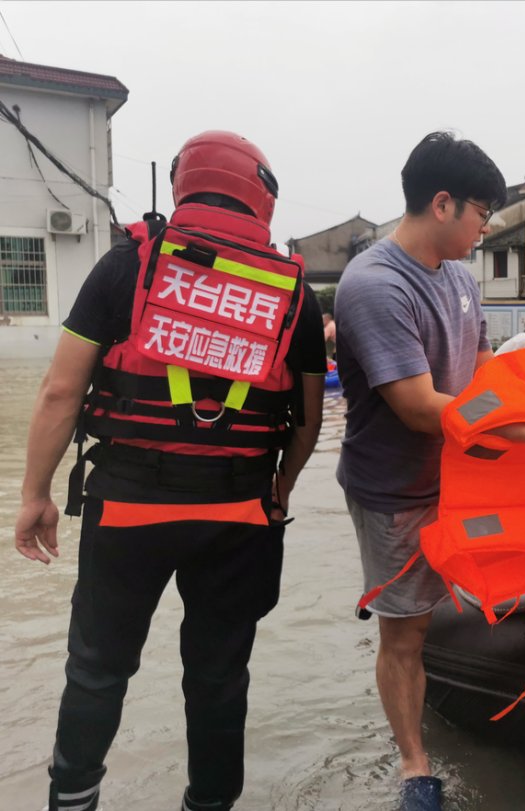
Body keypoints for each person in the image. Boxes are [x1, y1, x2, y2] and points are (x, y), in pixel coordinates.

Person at [14, 130, 326, 811]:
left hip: (127, 511)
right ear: (261, 197)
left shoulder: (126, 265)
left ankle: (72, 800)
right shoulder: (293, 294)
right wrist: (282, 486)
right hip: (240, 516)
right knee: (218, 679)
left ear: (187, 183)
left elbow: (61, 392)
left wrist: (35, 493)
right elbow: (307, 420)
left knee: (96, 672)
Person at [334, 131, 525, 811]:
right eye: (482, 213)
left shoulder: (457, 275)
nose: (486, 229)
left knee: (491, 586)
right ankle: (414, 765)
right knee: (404, 631)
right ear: (443, 203)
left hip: (465, 476)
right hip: (397, 488)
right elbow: (421, 407)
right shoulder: (375, 285)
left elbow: (483, 373)